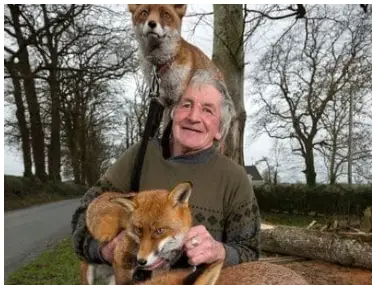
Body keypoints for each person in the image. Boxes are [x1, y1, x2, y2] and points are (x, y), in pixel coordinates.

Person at [72, 70, 260, 272]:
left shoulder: (234, 178)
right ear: (173, 113)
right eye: (186, 105)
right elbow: (82, 217)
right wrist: (103, 250)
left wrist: (218, 251)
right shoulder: (140, 156)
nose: (193, 116)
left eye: (208, 110)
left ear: (219, 129)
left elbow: (250, 252)